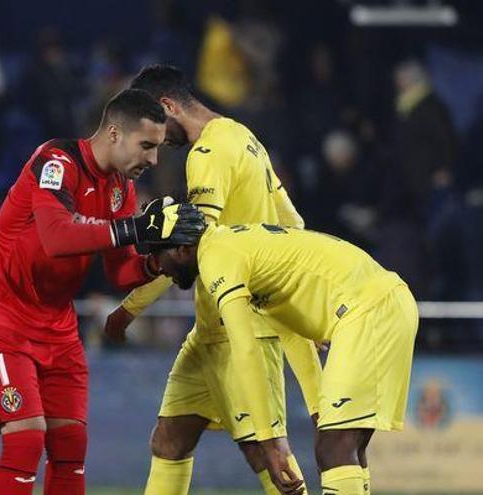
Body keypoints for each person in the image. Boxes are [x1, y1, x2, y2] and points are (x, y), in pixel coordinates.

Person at [0, 88, 201, 495]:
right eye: (146, 146)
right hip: (2, 314)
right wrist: (136, 229)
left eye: (158, 148)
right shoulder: (55, 161)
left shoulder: (121, 190)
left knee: (71, 447)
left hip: (57, 323)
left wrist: (157, 263)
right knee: (25, 439)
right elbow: (57, 236)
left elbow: (121, 271)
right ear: (113, 133)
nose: (153, 160)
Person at [105, 64, 319, 495]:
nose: (158, 145)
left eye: (156, 130)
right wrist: (303, 303)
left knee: (267, 454)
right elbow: (292, 223)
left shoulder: (207, 154)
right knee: (169, 440)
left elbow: (189, 249)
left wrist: (127, 311)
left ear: (168, 107)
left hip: (241, 327)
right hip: (209, 331)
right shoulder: (245, 138)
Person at [153, 222, 418, 495]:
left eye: (156, 254)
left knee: (335, 446)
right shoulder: (241, 248)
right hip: (383, 302)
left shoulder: (216, 258)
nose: (156, 266)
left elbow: (246, 351)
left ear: (183, 249)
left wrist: (270, 444)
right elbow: (293, 333)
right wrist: (318, 408)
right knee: (347, 445)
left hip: (367, 310)